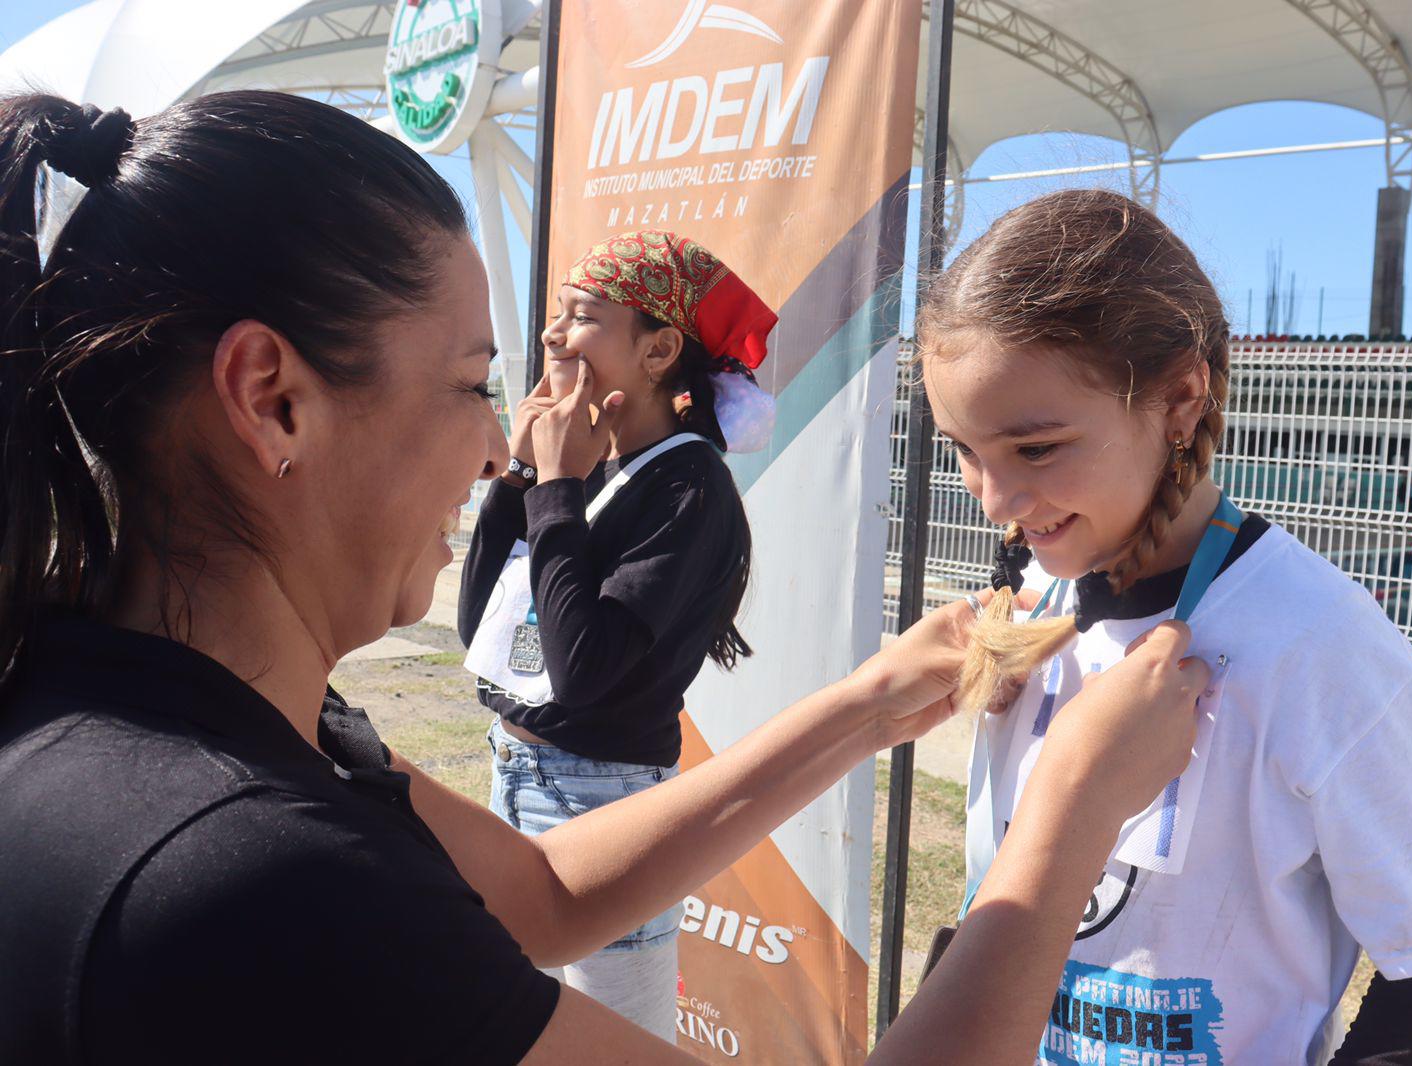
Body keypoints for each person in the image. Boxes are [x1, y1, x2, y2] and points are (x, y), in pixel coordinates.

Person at [0, 91, 1206, 1065]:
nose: (494, 443)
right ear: (274, 399)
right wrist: (1067, 818)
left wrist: (872, 704)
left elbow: (545, 887)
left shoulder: (135, 706)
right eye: (471, 380)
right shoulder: (258, 878)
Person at [918, 187, 1412, 1065]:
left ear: (1182, 398)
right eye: (963, 450)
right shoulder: (1038, 599)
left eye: (1036, 449)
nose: (996, 502)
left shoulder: (1317, 639)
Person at [457, 228, 775, 1038]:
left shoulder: (689, 485)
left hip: (603, 799)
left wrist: (558, 485)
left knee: (610, 1042)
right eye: (557, 314)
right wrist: (524, 476)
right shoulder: (590, 463)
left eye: (582, 315)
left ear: (661, 348)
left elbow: (585, 670)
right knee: (519, 1028)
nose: (553, 335)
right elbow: (482, 637)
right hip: (515, 771)